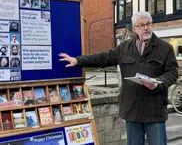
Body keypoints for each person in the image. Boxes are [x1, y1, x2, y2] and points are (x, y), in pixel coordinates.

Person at [59, 11, 178, 145]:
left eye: (148, 24)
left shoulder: (165, 48)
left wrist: (158, 83)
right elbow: (103, 58)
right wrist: (78, 61)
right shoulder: (124, 47)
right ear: (134, 29)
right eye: (141, 25)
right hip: (132, 110)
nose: (145, 27)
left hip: (154, 111)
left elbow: (172, 72)